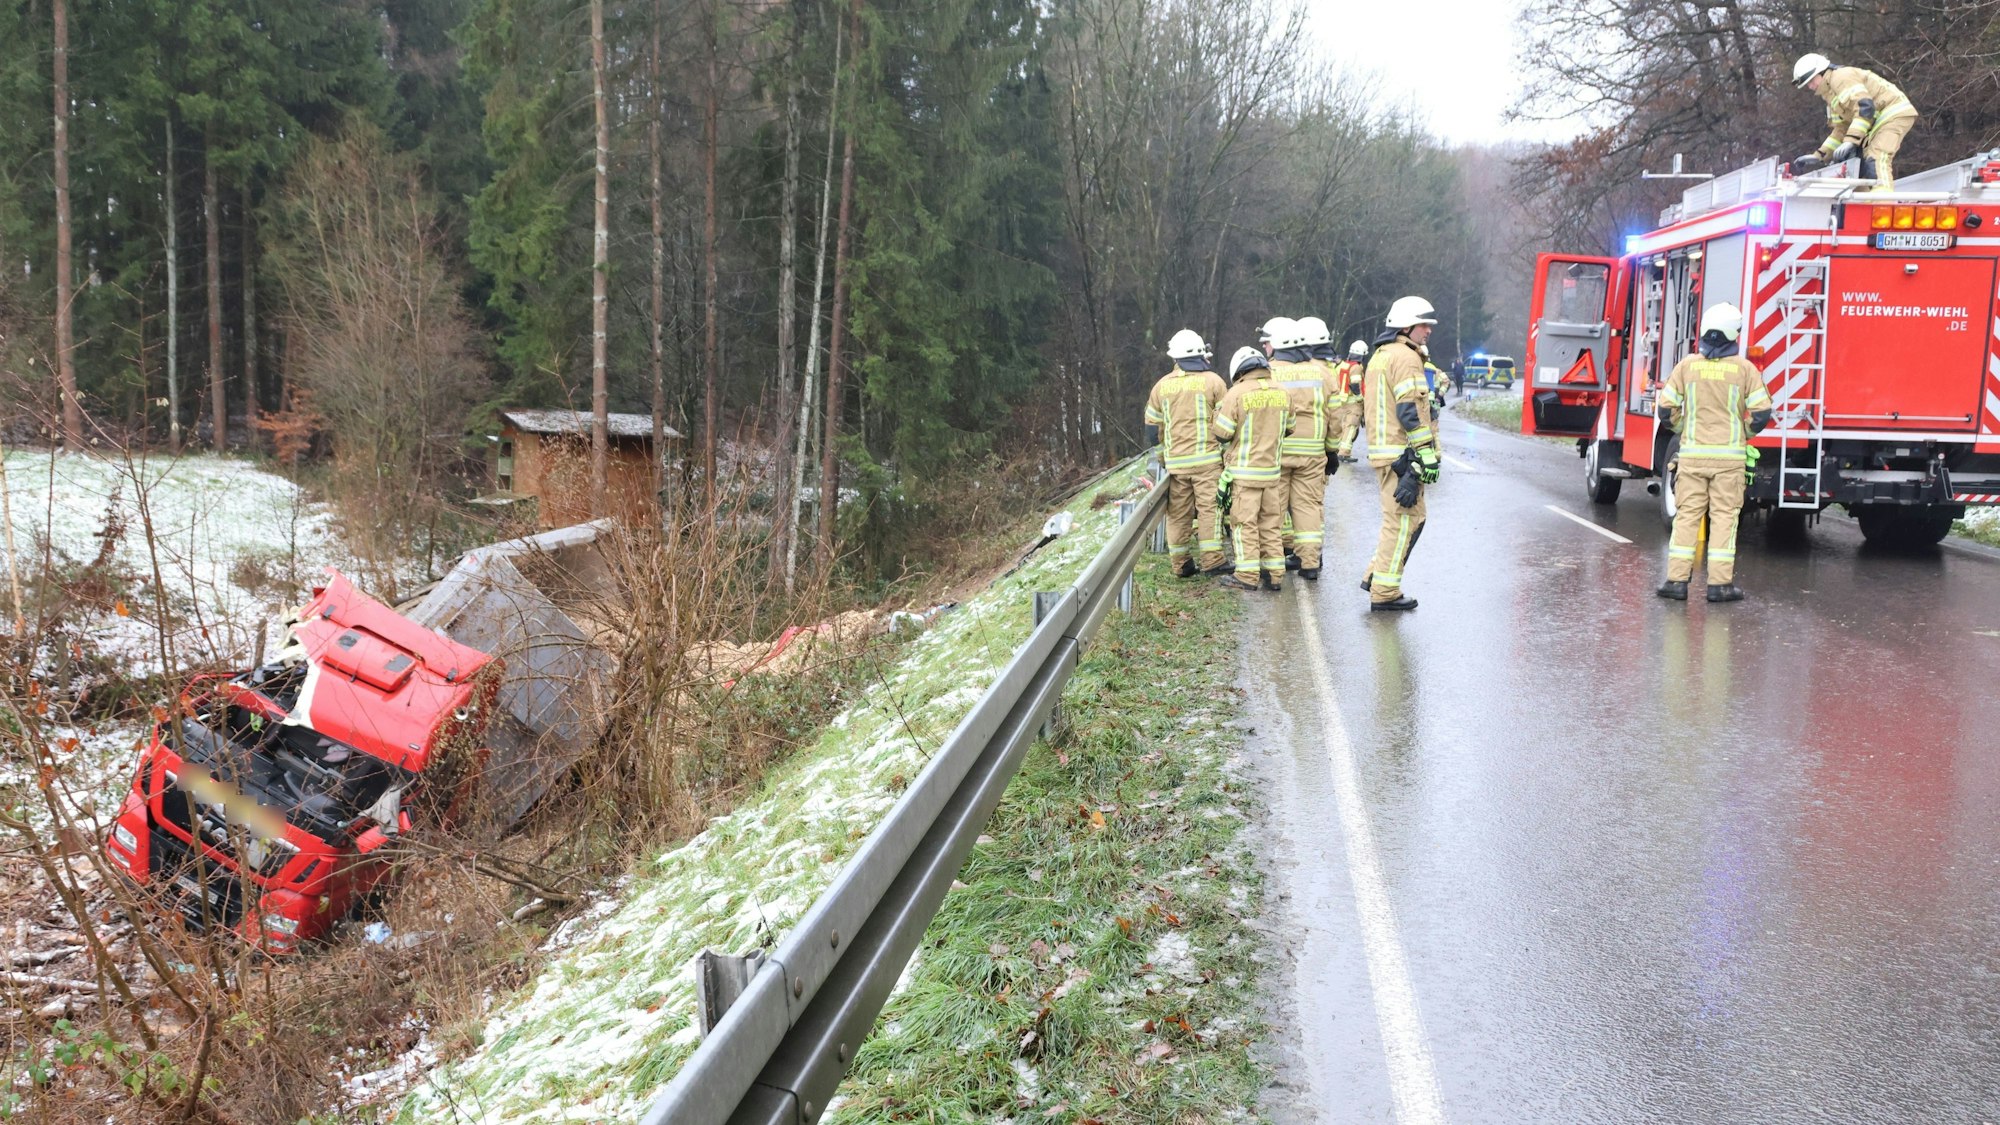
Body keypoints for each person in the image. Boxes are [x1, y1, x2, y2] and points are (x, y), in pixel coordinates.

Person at [1656, 303, 1773, 603]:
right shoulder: (1744, 370)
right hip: (1729, 462)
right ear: (1734, 333)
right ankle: (1719, 586)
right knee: (1724, 519)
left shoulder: (1687, 367)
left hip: (1692, 459)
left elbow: (1666, 409)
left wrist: (1685, 430)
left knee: (1686, 518)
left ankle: (1676, 582)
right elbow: (1761, 413)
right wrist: (1741, 433)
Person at [1360, 296, 1442, 612]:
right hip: (1401, 454)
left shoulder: (1381, 355)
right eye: (1424, 324)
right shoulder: (1406, 358)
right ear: (1407, 326)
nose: (1429, 331)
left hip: (1386, 450)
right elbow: (1411, 410)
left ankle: (1374, 576)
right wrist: (1426, 454)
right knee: (1404, 522)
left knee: (1403, 520)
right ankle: (1384, 592)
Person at [1145, 328, 1232, 578]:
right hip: (1208, 463)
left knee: (1178, 515)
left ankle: (1181, 564)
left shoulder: (1161, 387)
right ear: (1200, 354)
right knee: (1209, 511)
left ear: (1175, 357)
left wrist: (1163, 455)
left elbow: (1152, 427)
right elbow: (1226, 424)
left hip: (1176, 466)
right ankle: (1213, 561)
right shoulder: (1214, 381)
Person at [1212, 345, 1293, 592]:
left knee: (1243, 524)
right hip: (1271, 473)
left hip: (1244, 474)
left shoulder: (1236, 394)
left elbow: (1222, 433)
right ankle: (1275, 574)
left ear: (1238, 371)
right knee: (1271, 524)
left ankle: (1247, 575)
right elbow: (1290, 428)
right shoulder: (1283, 392)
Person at [1791, 53, 1919, 192]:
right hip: (1878, 122)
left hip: (1893, 113)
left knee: (1876, 155)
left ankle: (1882, 201)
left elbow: (1865, 107)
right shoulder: (1830, 95)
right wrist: (1820, 155)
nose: (1810, 86)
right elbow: (1842, 128)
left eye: (1811, 81)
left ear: (1821, 72)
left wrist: (1850, 141)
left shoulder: (1841, 77)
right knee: (1858, 172)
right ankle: (1866, 206)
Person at [1275, 316, 1341, 580]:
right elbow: (1334, 417)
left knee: (1273, 510)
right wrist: (1332, 451)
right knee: (1308, 508)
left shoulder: (1270, 372)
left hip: (1277, 453)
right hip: (1312, 454)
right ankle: (1310, 564)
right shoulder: (1323, 373)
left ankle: (1272, 564)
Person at [1333, 340, 1369, 462]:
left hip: (1341, 401)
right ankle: (1344, 453)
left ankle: (1338, 450)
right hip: (1353, 403)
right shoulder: (1356, 367)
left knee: (1343, 426)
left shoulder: (1342, 365)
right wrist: (1360, 399)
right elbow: (1354, 385)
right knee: (1351, 427)